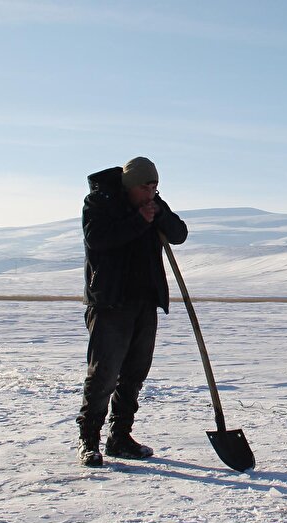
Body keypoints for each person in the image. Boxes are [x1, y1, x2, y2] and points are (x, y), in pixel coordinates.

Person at [76, 157, 188, 467]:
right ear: (130, 186)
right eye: (145, 187)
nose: (151, 192)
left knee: (134, 373)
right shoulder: (100, 203)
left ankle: (120, 437)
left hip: (144, 301)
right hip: (110, 302)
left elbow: (179, 233)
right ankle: (89, 440)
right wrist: (139, 220)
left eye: (155, 186)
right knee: (104, 374)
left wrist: (159, 215)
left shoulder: (154, 203)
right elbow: (98, 240)